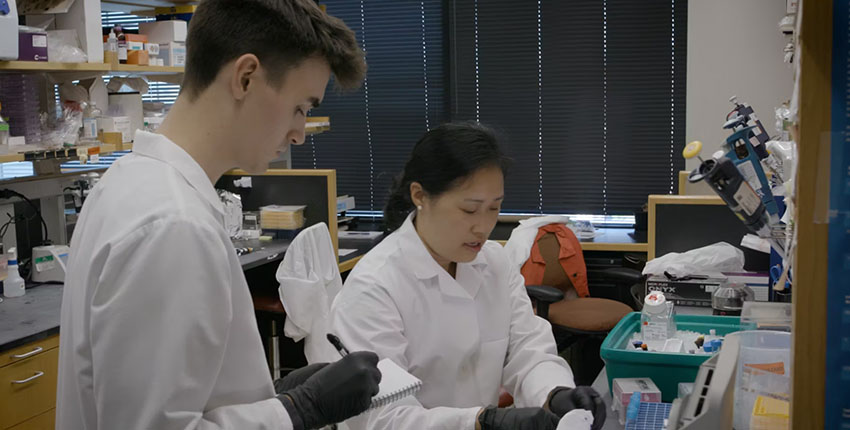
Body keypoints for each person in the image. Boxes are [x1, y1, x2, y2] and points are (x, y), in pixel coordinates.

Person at [56, 1, 381, 429]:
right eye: (301, 107)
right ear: (246, 77)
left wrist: (274, 396)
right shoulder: (172, 226)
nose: (300, 132)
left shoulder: (131, 183)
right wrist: (298, 411)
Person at [330, 122, 607, 430]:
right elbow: (383, 417)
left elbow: (528, 349)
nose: (483, 226)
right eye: (470, 210)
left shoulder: (494, 263)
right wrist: (480, 421)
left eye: (494, 208)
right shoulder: (375, 287)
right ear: (420, 195)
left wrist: (555, 393)